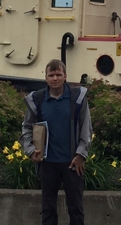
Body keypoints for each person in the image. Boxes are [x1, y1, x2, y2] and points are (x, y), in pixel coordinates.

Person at [20, 59, 92, 225]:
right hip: (47, 163)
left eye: (58, 74)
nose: (55, 78)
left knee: (76, 209)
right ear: (45, 77)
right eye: (51, 75)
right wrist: (30, 150)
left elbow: (86, 128)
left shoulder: (78, 99)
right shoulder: (37, 100)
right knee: (48, 210)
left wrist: (81, 154)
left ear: (65, 76)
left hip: (72, 163)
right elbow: (26, 128)